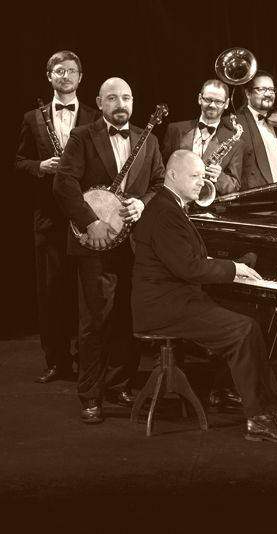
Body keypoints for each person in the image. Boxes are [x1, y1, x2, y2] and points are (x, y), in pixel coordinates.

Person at [131, 150, 277, 443]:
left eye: (203, 176)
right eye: (194, 176)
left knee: (252, 316)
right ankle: (260, 420)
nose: (201, 182)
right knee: (243, 330)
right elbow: (189, 268)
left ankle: (235, 391)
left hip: (176, 299)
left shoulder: (169, 206)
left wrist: (230, 265)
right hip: (164, 307)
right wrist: (233, 268)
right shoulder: (165, 212)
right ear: (172, 175)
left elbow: (187, 259)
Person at [53, 77, 165, 423]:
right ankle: (90, 394)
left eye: (127, 97)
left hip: (135, 245)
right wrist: (90, 221)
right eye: (112, 98)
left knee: (128, 317)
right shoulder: (83, 136)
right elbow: (64, 182)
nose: (121, 104)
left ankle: (120, 383)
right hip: (95, 243)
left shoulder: (149, 139)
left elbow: (159, 184)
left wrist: (142, 203)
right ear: (100, 103)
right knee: (95, 321)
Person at [16, 50, 99, 383]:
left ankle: (88, 359)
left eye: (71, 70)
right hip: (49, 219)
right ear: (49, 76)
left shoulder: (95, 116)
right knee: (51, 292)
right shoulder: (32, 118)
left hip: (86, 214)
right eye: (59, 70)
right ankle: (57, 361)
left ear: (81, 77)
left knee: (86, 293)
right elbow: (18, 162)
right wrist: (40, 166)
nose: (66, 76)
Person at [161, 79, 243, 196]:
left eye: (218, 101)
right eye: (208, 99)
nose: (212, 105)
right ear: (200, 98)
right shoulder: (175, 130)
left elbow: (234, 187)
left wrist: (219, 176)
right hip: (175, 200)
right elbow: (162, 172)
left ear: (226, 103)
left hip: (211, 204)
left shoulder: (237, 142)